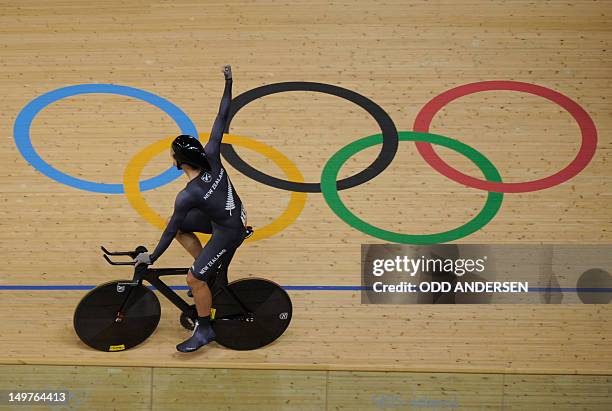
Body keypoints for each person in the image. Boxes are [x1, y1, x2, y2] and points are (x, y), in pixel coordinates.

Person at [133, 65, 252, 353]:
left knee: (193, 278)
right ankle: (207, 269)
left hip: (229, 230)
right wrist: (228, 83)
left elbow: (169, 229)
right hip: (233, 212)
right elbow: (222, 116)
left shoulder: (188, 195)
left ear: (180, 162)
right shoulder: (211, 154)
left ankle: (205, 329)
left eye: (172, 155)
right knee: (186, 230)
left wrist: (152, 257)